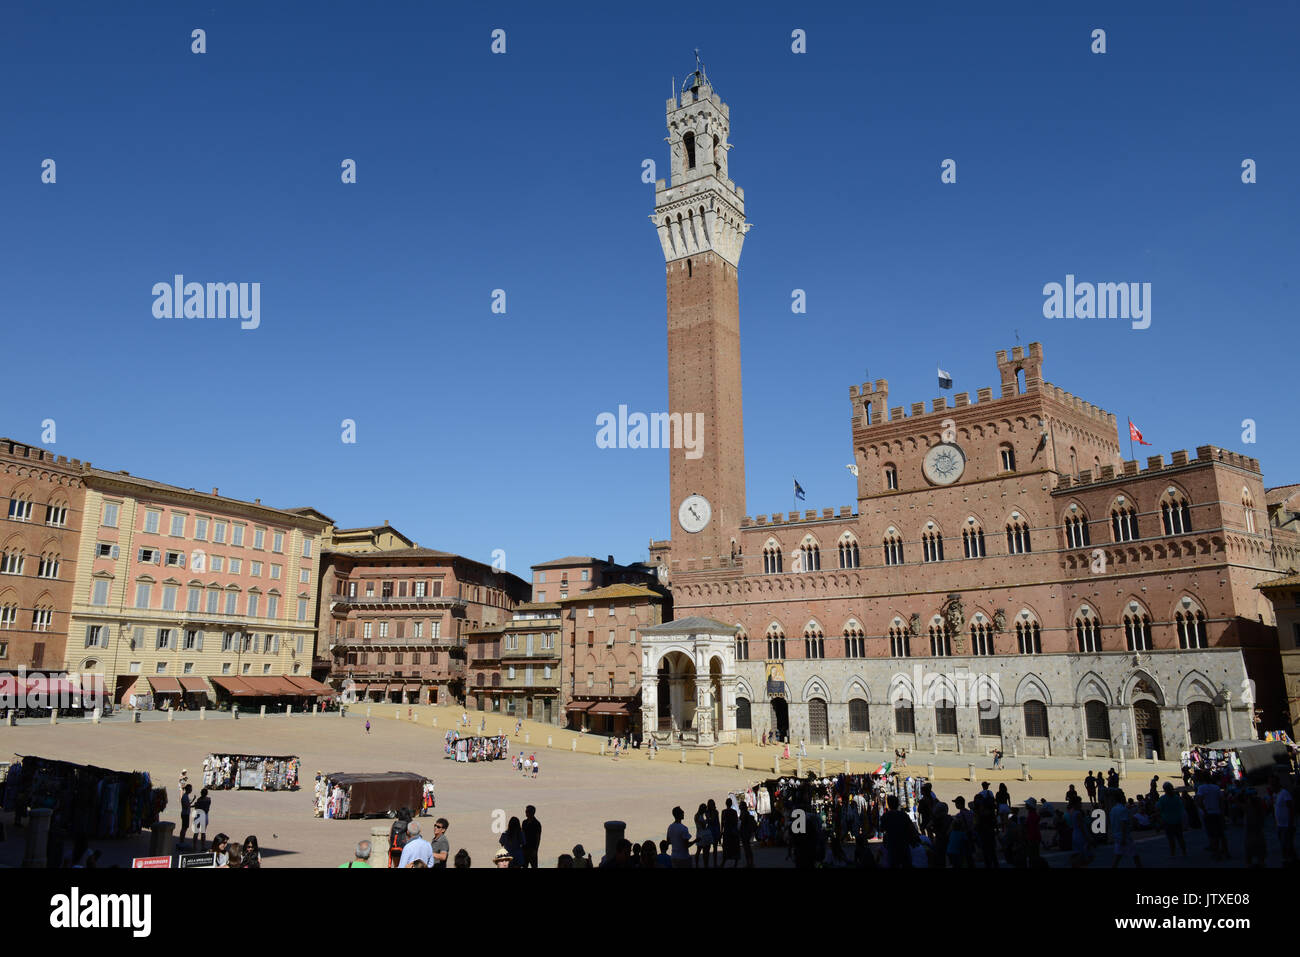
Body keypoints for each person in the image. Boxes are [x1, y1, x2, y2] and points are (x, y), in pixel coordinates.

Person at [881, 794, 920, 868]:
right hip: (904, 844)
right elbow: (911, 827)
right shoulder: (903, 815)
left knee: (893, 864)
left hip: (892, 845)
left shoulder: (885, 816)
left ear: (888, 804)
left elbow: (882, 829)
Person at [1196, 772, 1227, 860]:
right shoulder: (1216, 787)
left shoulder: (1201, 788)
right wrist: (1222, 812)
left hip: (1209, 813)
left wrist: (1204, 810)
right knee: (1221, 834)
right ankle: (1226, 851)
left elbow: (1199, 801)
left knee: (1212, 834)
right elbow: (1221, 801)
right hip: (1217, 812)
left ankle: (1216, 853)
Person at [1108, 790, 1142, 868]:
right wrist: (1124, 838)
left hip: (1116, 835)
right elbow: (1123, 824)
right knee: (1135, 855)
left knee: (1118, 856)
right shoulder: (1123, 810)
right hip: (1124, 836)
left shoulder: (1113, 809)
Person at [1272, 775, 1295, 864]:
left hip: (1286, 824)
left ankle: (1288, 861)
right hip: (1280, 825)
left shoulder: (1284, 793)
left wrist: (1291, 823)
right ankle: (1291, 860)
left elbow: (1291, 808)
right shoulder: (1275, 794)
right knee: (1286, 845)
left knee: (1287, 845)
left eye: (1272, 783)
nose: (1271, 785)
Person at [1024, 798, 1042, 867]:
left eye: (1026, 804)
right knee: (1035, 855)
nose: (1025, 805)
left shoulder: (1031, 815)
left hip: (1033, 838)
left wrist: (1029, 838)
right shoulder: (1032, 814)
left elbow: (1032, 829)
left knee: (1033, 856)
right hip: (1035, 837)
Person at [739, 802, 756, 868]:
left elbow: (742, 822)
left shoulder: (744, 813)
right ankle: (750, 862)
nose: (739, 807)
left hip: (745, 833)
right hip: (747, 832)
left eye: (740, 806)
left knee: (747, 848)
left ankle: (750, 863)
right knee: (747, 848)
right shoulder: (745, 813)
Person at [693, 803, 711, 867]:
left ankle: (697, 865)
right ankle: (705, 865)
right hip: (703, 835)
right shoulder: (700, 816)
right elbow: (703, 826)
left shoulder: (697, 815)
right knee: (705, 852)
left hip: (699, 834)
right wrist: (708, 818)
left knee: (698, 851)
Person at [178, 784, 193, 850]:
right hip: (185, 814)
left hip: (185, 813)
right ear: (188, 789)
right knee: (184, 828)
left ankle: (182, 840)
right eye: (190, 789)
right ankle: (181, 841)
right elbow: (187, 806)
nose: (191, 790)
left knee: (184, 827)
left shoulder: (185, 796)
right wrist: (192, 805)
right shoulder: (185, 796)